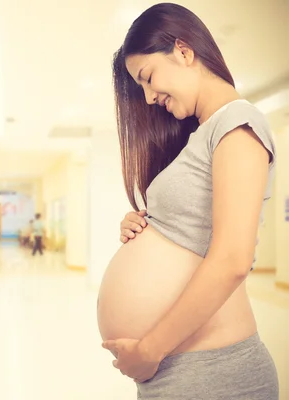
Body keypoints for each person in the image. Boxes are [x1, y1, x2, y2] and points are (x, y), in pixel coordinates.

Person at [97, 3, 279, 399]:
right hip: (182, 371)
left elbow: (232, 260)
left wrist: (149, 350)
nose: (147, 98)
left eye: (147, 78)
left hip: (215, 372)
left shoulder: (237, 124)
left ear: (183, 51)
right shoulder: (200, 134)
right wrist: (145, 224)